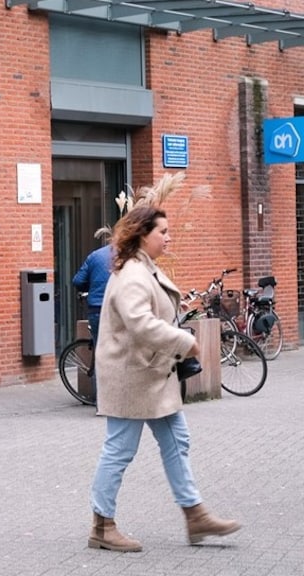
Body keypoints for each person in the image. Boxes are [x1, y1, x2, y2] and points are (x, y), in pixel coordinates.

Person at [88, 205, 240, 553]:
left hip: (151, 376)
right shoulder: (132, 275)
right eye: (163, 232)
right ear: (143, 234)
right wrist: (185, 342)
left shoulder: (142, 268)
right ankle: (101, 525)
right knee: (120, 449)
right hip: (134, 377)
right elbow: (139, 323)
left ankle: (195, 514)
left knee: (177, 440)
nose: (169, 237)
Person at [72, 243, 113, 345]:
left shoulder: (95, 255)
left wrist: (91, 288)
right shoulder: (130, 257)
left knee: (99, 347)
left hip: (96, 309)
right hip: (118, 310)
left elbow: (78, 281)